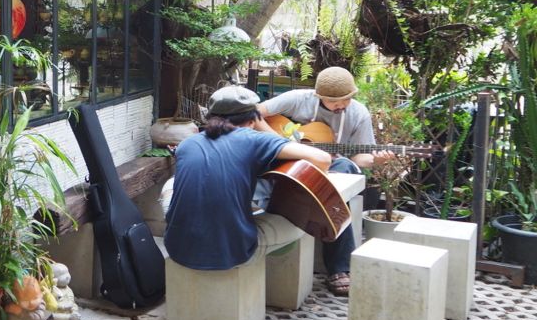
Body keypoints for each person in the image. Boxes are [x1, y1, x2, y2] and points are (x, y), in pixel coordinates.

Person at [255, 66, 394, 297]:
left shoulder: (358, 114)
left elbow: (359, 158)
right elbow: (255, 114)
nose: (341, 105)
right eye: (333, 101)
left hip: (331, 169)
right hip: (287, 164)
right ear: (318, 96)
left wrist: (377, 160)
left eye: (346, 99)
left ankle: (340, 268)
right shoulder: (298, 99)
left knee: (345, 169)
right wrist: (281, 144)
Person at [163, 85, 331, 273]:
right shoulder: (254, 139)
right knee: (302, 223)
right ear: (253, 120)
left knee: (170, 184)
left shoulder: (187, 143)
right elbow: (323, 159)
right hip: (234, 253)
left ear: (210, 117)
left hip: (178, 248)